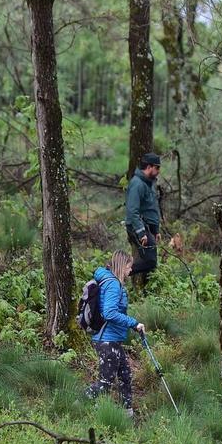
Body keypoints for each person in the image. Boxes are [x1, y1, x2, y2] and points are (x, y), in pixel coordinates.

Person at [84, 250, 146, 417]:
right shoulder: (113, 284)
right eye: (129, 267)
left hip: (113, 339)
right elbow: (109, 313)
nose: (131, 270)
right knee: (105, 383)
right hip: (106, 340)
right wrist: (134, 323)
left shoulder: (111, 282)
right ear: (122, 266)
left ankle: (127, 415)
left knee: (125, 376)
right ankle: (77, 406)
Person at [125, 152, 162, 284]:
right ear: (149, 167)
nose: (159, 171)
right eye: (157, 167)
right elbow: (132, 210)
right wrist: (141, 232)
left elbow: (151, 208)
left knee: (150, 263)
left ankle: (144, 291)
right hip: (139, 227)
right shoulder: (137, 184)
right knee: (150, 261)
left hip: (147, 228)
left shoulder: (149, 183)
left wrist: (155, 230)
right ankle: (119, 271)